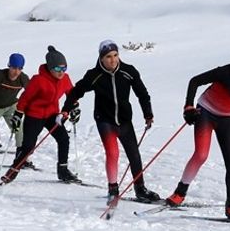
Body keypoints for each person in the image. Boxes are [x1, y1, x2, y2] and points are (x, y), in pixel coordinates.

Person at [164, 44, 230, 219]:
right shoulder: (226, 71)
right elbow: (194, 81)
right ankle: (180, 192)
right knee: (201, 155)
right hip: (205, 112)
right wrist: (188, 106)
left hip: (227, 118)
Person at [61, 39, 161, 202]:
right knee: (113, 153)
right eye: (108, 56)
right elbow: (76, 91)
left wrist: (147, 114)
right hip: (104, 119)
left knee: (134, 155)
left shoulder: (128, 71)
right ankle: (113, 189)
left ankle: (140, 188)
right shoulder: (94, 75)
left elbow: (142, 94)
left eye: (115, 55)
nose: (113, 60)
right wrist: (66, 109)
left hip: (124, 120)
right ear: (101, 58)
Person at [0, 47, 80, 184]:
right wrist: (18, 114)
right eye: (58, 69)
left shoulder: (65, 79)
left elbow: (71, 94)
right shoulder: (38, 80)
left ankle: (63, 170)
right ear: (50, 67)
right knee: (28, 146)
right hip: (34, 116)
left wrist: (74, 106)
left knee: (63, 138)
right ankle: (13, 171)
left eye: (64, 68)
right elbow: (24, 98)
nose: (61, 72)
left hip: (52, 114)